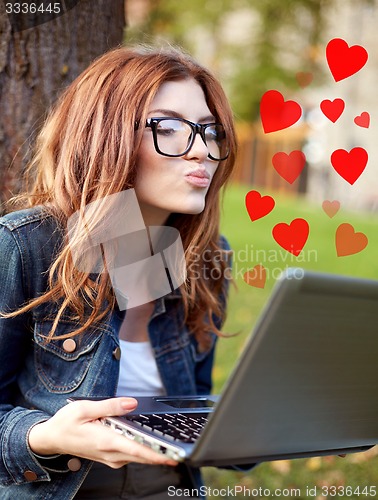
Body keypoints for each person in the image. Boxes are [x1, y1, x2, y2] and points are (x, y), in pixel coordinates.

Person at [0, 44, 236, 499]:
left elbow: (193, 415)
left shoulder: (207, 260)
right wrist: (44, 436)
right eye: (170, 128)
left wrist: (281, 424)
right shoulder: (24, 246)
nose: (202, 151)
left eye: (209, 131)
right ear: (104, 136)